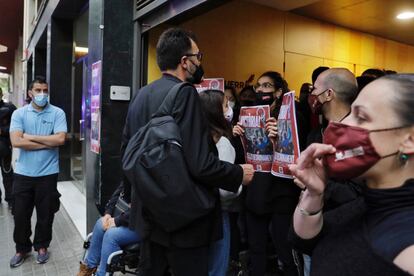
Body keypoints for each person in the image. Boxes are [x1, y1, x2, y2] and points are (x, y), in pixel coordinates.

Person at [121, 28, 254, 276]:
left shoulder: (141, 95)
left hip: (149, 214)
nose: (199, 62)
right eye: (197, 56)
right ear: (185, 62)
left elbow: (126, 152)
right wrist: (238, 173)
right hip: (182, 221)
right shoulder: (185, 95)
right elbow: (200, 163)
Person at [289, 74, 414, 275]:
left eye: (362, 117)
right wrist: (314, 193)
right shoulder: (365, 206)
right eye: (351, 113)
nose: (345, 124)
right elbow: (303, 240)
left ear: (409, 140)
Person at [233, 71, 306, 276]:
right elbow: (241, 157)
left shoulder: (293, 117)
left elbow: (298, 155)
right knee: (256, 248)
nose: (260, 90)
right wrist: (237, 136)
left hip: (281, 193)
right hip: (256, 190)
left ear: (278, 91)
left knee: (284, 247)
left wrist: (281, 138)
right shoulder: (247, 115)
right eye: (258, 86)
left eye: (266, 86)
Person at [8, 76, 67, 267]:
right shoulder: (19, 114)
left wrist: (30, 137)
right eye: (38, 90)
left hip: (48, 174)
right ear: (30, 93)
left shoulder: (58, 113)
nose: (42, 94)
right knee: (20, 214)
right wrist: (46, 141)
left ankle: (42, 246)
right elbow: (16, 142)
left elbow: (59, 140)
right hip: (23, 174)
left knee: (46, 214)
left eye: (45, 90)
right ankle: (21, 249)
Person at [199, 89, 242, 276]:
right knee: (217, 267)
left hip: (198, 212)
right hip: (218, 213)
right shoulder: (222, 143)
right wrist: (239, 181)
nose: (229, 108)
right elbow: (225, 191)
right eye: (225, 105)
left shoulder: (195, 138)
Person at [77, 181, 140, 276]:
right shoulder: (132, 169)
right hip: (128, 218)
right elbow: (118, 193)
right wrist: (108, 213)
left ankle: (102, 274)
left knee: (111, 235)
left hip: (145, 224)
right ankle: (88, 269)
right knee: (100, 223)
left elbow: (145, 208)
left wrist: (118, 220)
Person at [0, 87, 16, 208]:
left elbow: (16, 126)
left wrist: (2, 130)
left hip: (4, 147)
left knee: (7, 174)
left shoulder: (9, 108)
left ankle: (11, 199)